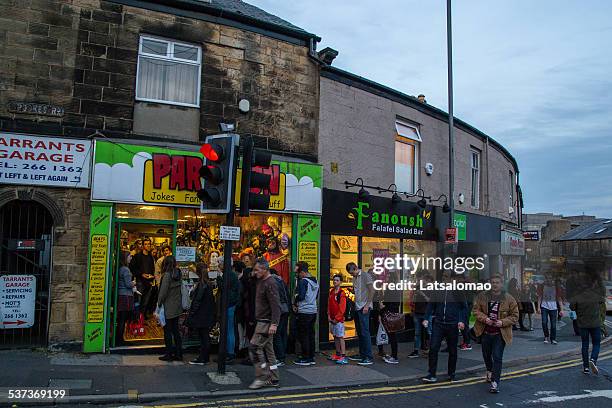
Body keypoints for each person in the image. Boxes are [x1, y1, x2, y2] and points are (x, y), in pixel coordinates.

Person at [472, 274, 519, 393]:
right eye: (493, 282)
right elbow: (475, 310)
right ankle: (489, 370)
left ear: (502, 284)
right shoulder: (482, 296)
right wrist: (485, 319)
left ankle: (495, 382)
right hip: (485, 332)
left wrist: (502, 322)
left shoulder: (509, 298)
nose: (495, 285)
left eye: (497, 282)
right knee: (487, 356)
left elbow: (515, 316)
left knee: (497, 357)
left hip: (500, 334)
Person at [422, 271, 468, 383]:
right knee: (433, 348)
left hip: (452, 324)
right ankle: (431, 374)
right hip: (438, 324)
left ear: (452, 278)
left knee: (453, 351)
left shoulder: (457, 291)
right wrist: (426, 318)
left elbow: (464, 307)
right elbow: (431, 305)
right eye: (442, 277)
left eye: (446, 277)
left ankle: (451, 374)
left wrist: (461, 321)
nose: (444, 279)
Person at [248, 259, 281, 390]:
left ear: (265, 269)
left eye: (257, 270)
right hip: (263, 321)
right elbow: (250, 279)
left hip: (265, 323)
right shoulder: (261, 280)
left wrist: (274, 324)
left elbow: (276, 306)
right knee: (269, 351)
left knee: (254, 349)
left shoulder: (270, 283)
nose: (254, 273)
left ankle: (262, 377)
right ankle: (274, 378)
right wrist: (253, 274)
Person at [570, 269, 606, 375]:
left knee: (585, 344)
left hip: (583, 323)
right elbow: (602, 300)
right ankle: (593, 360)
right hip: (595, 323)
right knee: (596, 343)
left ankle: (586, 367)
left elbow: (572, 307)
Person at [185, 263, 215, 365]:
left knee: (203, 336)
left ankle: (202, 358)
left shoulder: (202, 284)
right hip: (207, 313)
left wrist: (192, 312)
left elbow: (197, 300)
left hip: (201, 314)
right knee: (205, 336)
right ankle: (205, 357)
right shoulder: (208, 283)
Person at [346, 262, 375, 366]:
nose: (351, 275)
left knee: (365, 332)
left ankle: (368, 357)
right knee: (360, 332)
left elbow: (372, 290)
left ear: (355, 268)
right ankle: (362, 354)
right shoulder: (355, 278)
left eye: (352, 273)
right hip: (357, 306)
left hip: (364, 307)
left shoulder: (365, 275)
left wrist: (367, 305)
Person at [157, 255, 184, 361]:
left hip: (168, 306)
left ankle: (169, 354)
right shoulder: (178, 274)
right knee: (176, 331)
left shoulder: (167, 275)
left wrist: (159, 303)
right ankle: (179, 353)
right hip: (176, 306)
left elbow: (163, 293)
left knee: (167, 331)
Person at [293, 261, 319, 366]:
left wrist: (295, 297)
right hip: (313, 310)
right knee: (311, 334)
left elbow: (301, 296)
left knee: (303, 335)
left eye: (298, 273)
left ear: (303, 272)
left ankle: (305, 358)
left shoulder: (303, 281)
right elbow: (316, 296)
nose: (298, 275)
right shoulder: (315, 281)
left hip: (304, 311)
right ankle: (311, 357)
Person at [218, 258, 240, 363]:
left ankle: (230, 353)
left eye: (219, 263)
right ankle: (228, 352)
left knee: (228, 329)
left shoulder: (229, 275)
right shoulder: (231, 274)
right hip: (230, 304)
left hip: (229, 305)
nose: (218, 265)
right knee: (228, 329)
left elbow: (223, 287)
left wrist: (218, 278)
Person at [130, 238, 156, 316]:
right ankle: (136, 319)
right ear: (143, 246)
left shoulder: (151, 257)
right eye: (146, 244)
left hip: (148, 282)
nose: (148, 245)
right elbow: (132, 268)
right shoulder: (137, 256)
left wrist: (152, 277)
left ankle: (141, 319)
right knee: (138, 301)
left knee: (145, 302)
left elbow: (152, 269)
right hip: (140, 282)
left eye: (149, 244)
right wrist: (141, 274)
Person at [271, 268, 290, 366]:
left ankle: (280, 357)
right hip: (285, 309)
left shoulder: (273, 283)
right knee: (282, 333)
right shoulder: (282, 281)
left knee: (276, 334)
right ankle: (282, 355)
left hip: (279, 310)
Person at [410, 273, 432, 358]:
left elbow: (429, 301)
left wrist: (422, 293)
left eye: (423, 279)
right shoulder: (418, 288)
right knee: (417, 333)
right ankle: (416, 351)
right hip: (417, 312)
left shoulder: (431, 288)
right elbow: (413, 299)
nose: (421, 281)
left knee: (429, 332)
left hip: (426, 314)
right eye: (420, 279)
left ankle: (431, 350)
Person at [328, 274, 348, 364]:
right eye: (334, 280)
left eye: (337, 280)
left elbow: (342, 308)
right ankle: (338, 354)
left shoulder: (342, 293)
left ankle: (343, 356)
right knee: (335, 336)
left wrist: (337, 318)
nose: (335, 281)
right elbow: (329, 305)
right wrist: (329, 315)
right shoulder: (331, 291)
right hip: (332, 318)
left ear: (340, 282)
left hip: (338, 320)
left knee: (340, 337)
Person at [537, 275, 563, 344]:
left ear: (552, 279)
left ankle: (553, 339)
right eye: (548, 278)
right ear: (546, 279)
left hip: (553, 308)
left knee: (553, 325)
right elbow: (540, 297)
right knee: (544, 322)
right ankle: (546, 336)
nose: (549, 280)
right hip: (544, 307)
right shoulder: (543, 287)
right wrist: (538, 307)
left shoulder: (556, 288)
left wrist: (561, 309)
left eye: (550, 278)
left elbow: (559, 298)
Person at [116, 251, 135, 346]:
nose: (131, 258)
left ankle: (118, 338)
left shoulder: (120, 269)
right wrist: (134, 283)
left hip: (121, 294)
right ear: (125, 258)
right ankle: (120, 339)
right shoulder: (126, 270)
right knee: (123, 318)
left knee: (121, 318)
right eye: (129, 256)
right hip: (126, 295)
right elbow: (128, 284)